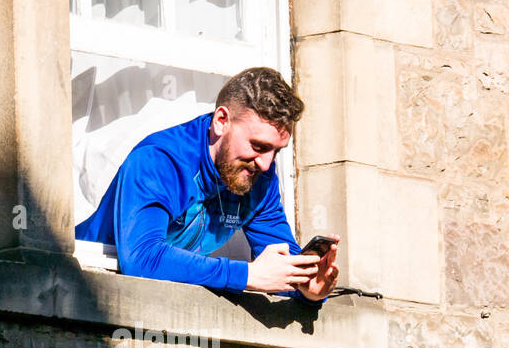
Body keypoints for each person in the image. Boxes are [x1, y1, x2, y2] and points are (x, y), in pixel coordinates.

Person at [75, 67, 339, 303]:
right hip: (84, 287)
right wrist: (245, 275)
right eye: (258, 146)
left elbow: (279, 267)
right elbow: (143, 258)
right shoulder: (159, 161)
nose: (267, 164)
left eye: (276, 152)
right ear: (221, 121)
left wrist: (308, 289)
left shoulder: (259, 176)